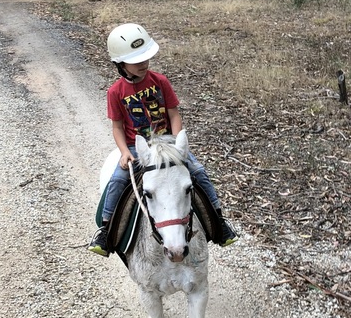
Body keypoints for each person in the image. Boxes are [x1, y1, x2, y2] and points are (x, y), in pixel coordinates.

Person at [88, 22, 238, 255]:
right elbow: (117, 127)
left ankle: (219, 221)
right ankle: (106, 230)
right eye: (136, 60)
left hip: (167, 143)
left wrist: (178, 142)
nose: (143, 64)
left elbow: (173, 114)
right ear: (120, 64)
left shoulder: (160, 81)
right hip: (137, 148)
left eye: (146, 58)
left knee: (197, 171)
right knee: (117, 181)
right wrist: (124, 151)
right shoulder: (115, 92)